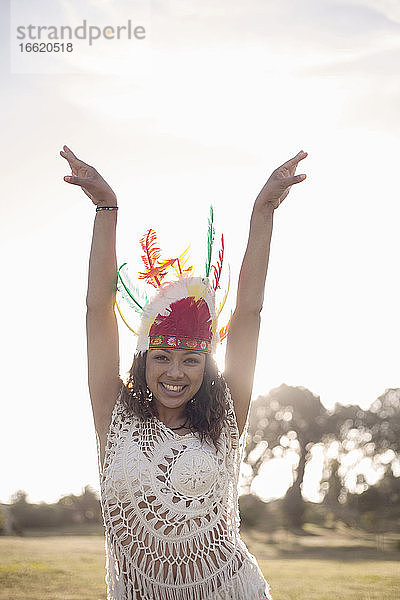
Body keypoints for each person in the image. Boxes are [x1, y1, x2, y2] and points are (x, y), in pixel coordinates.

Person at [60, 144, 307, 600]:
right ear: (143, 360)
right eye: (162, 357)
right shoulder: (115, 417)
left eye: (191, 359)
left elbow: (249, 313)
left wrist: (263, 211)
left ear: (206, 366)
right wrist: (105, 208)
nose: (176, 371)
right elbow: (98, 310)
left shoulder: (226, 415)